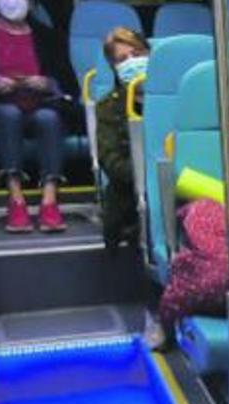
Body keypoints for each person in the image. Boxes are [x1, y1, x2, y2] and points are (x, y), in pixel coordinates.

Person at [0, 0, 78, 233]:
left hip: (40, 103)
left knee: (49, 119)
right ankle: (16, 200)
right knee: (9, 114)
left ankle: (49, 200)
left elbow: (68, 84)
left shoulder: (48, 35)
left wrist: (46, 83)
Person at [95, 27, 149, 249]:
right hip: (128, 200)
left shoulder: (176, 98)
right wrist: (150, 176)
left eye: (136, 55)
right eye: (122, 59)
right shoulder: (108, 107)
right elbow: (112, 163)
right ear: (114, 68)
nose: (131, 62)